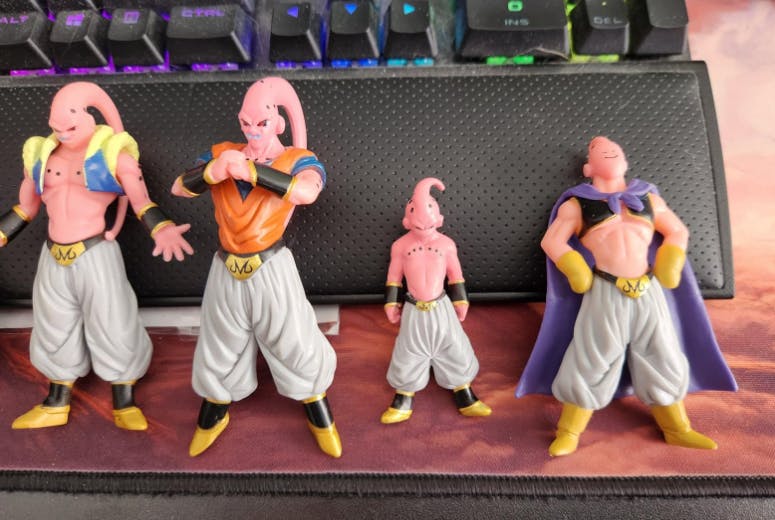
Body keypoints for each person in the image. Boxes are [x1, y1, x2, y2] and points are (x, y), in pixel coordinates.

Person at [516, 136, 737, 456]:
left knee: (663, 352)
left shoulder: (648, 199)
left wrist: (671, 259)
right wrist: (574, 267)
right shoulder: (577, 205)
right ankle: (569, 431)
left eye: (614, 149)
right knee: (593, 355)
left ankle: (677, 429)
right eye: (598, 150)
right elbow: (552, 241)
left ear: (625, 161)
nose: (607, 148)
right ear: (588, 168)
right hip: (605, 290)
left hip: (648, 289)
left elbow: (677, 230)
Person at [0, 81, 192, 431]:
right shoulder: (41, 155)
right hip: (53, 255)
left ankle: (124, 400)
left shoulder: (113, 155)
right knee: (53, 325)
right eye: (56, 119)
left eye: (71, 117)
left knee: (113, 322)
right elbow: (25, 208)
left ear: (89, 116)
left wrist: (161, 228)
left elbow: (141, 202)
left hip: (95, 253)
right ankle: (56, 402)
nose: (61, 127)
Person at [172, 77, 341, 458]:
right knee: (219, 341)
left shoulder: (297, 159)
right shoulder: (222, 152)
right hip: (225, 266)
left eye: (262, 123)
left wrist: (252, 173)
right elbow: (179, 187)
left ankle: (317, 407)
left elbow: (307, 191)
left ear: (278, 123)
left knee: (293, 338)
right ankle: (215, 410)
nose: (253, 131)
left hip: (270, 266)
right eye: (246, 123)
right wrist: (214, 171)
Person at [381, 177, 491, 424]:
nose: (422, 216)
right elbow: (394, 278)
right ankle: (403, 396)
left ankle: (464, 393)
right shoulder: (400, 246)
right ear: (407, 219)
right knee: (408, 349)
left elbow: (456, 276)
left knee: (454, 345)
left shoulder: (446, 244)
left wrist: (461, 301)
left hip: (441, 307)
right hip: (413, 309)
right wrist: (391, 302)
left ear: (439, 217)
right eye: (415, 209)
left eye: (429, 206)